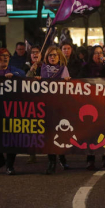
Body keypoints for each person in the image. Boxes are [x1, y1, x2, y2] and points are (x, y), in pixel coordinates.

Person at [78, 45, 105, 170]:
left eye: (101, 53)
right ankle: (90, 159)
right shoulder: (86, 67)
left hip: (104, 103)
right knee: (91, 133)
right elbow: (79, 81)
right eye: (96, 53)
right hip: (90, 103)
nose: (98, 55)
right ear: (92, 55)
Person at [36, 46, 71, 174]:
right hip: (45, 106)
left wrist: (67, 81)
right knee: (49, 134)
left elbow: (67, 89)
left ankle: (62, 157)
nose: (52, 57)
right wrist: (36, 80)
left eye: (55, 55)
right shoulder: (41, 68)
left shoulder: (63, 69)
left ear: (59, 56)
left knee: (59, 132)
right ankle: (51, 162)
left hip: (59, 106)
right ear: (46, 57)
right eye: (50, 55)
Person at [25, 45, 42, 164]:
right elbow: (23, 81)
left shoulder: (46, 66)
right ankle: (32, 154)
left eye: (37, 52)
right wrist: (31, 71)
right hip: (31, 101)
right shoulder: (25, 65)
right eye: (33, 52)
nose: (35, 54)